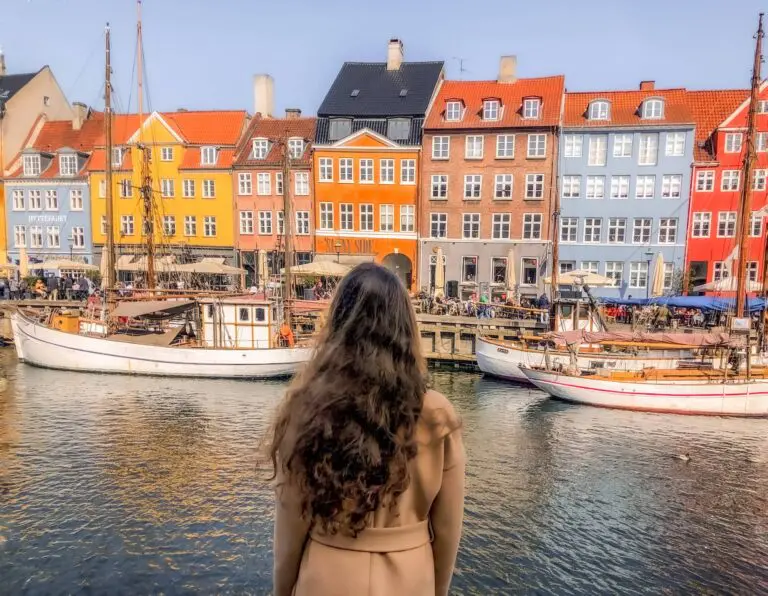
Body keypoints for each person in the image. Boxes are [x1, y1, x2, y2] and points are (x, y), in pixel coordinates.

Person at [269, 263, 465, 596]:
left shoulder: (308, 410)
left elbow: (290, 529)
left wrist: (282, 590)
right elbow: (447, 530)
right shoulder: (437, 415)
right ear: (405, 329)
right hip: (410, 576)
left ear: (338, 327)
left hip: (327, 573)